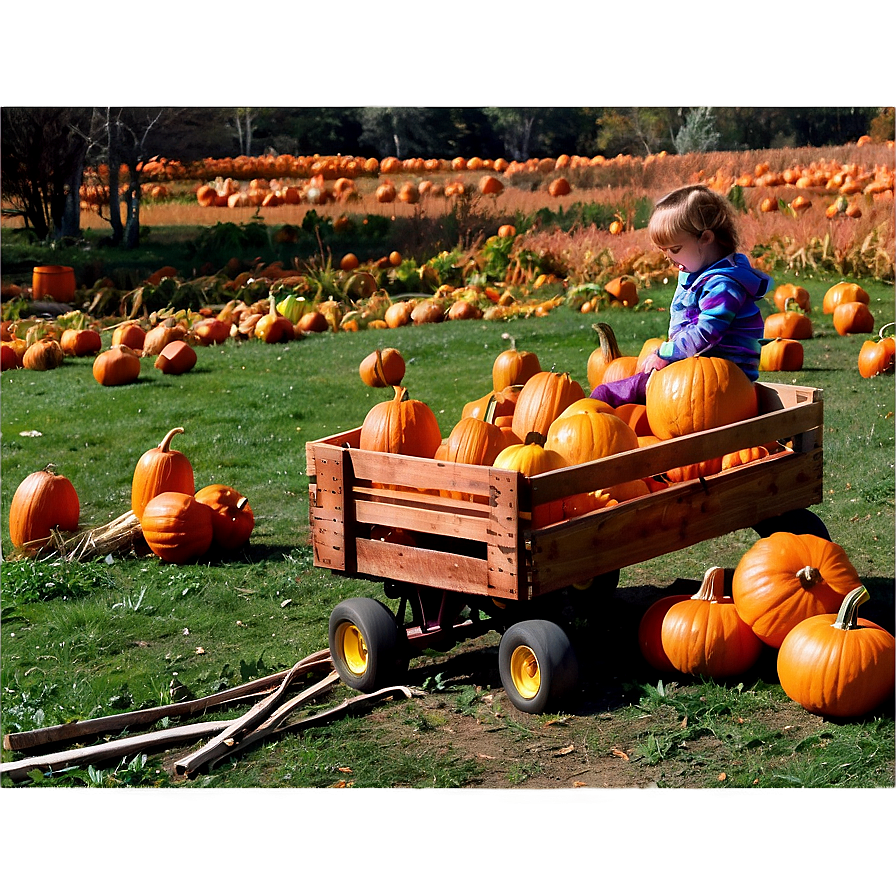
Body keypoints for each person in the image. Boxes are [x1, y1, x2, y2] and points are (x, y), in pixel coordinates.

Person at [591, 184, 771, 407]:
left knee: (608, 395)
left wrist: (665, 353)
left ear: (705, 238)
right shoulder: (697, 271)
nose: (669, 259)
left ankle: (600, 422)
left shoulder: (723, 285)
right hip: (694, 371)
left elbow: (706, 333)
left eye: (675, 249)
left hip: (717, 381)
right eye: (664, 251)